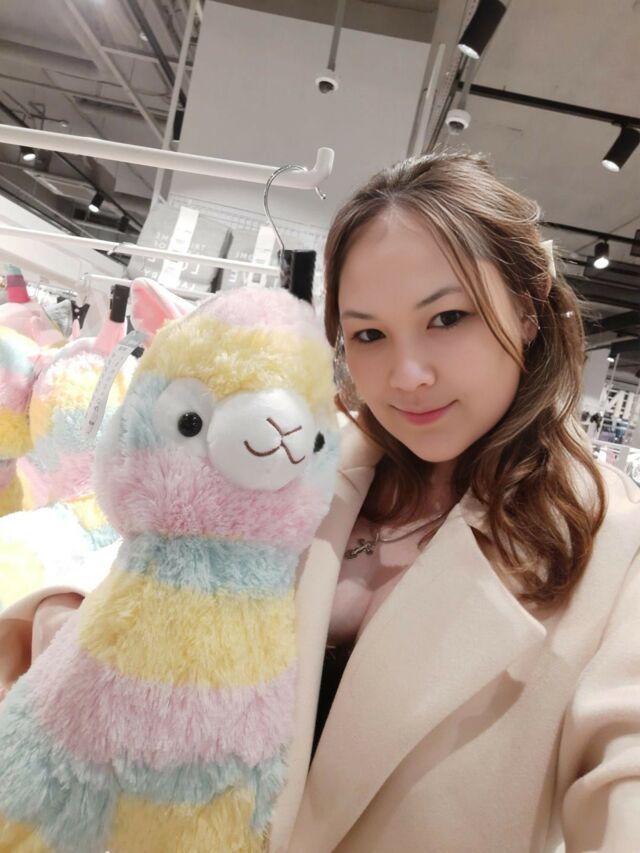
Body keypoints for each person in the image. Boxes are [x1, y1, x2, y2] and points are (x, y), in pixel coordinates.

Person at [1, 152, 639, 853]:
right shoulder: (308, 456)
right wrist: (66, 618)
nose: (407, 375)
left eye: (448, 317)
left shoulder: (610, 544)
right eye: (369, 334)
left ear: (529, 307)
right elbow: (173, 556)